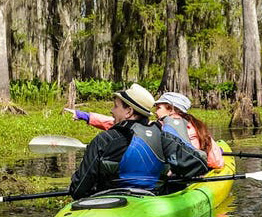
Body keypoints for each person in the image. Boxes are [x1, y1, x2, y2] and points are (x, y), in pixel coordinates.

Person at [67, 83, 209, 199]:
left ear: (129, 111)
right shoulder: (163, 137)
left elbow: (79, 190)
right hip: (155, 199)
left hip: (110, 203)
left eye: (115, 106)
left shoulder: (104, 140)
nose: (112, 110)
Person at [154, 92, 224, 170]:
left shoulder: (173, 127)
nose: (155, 111)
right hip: (196, 163)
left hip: (190, 166)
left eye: (158, 108)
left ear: (170, 109)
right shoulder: (193, 123)